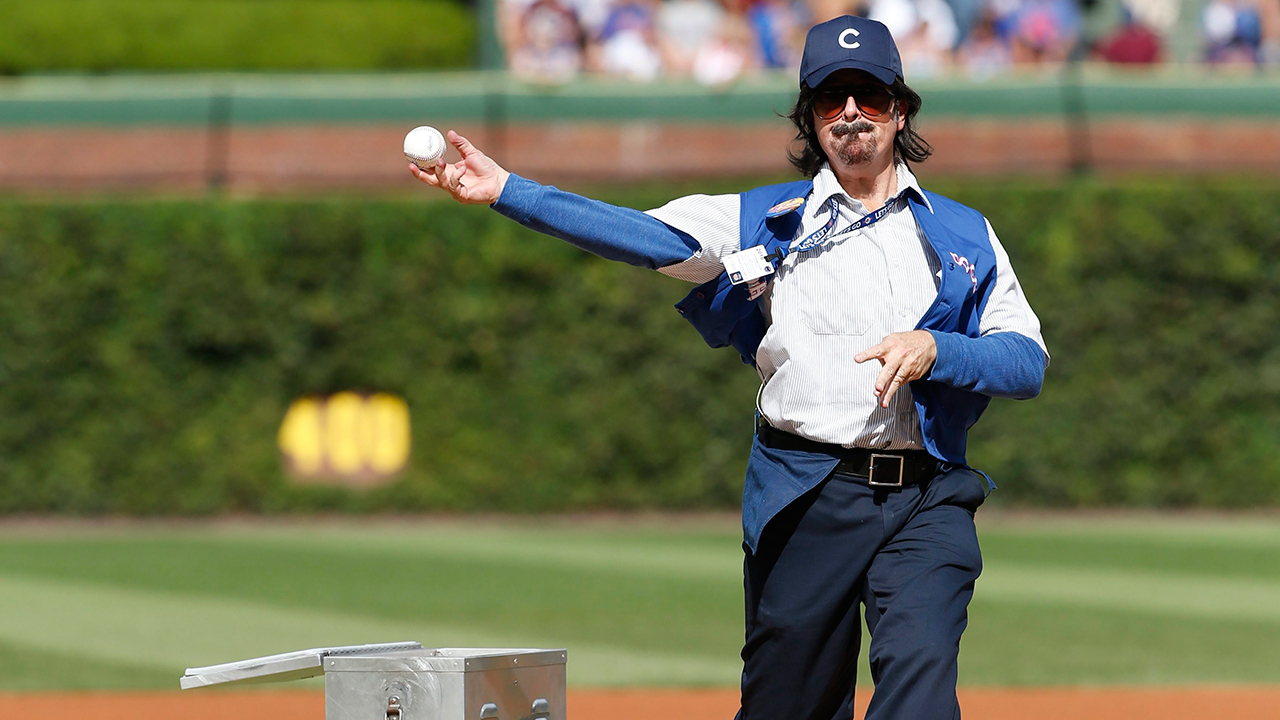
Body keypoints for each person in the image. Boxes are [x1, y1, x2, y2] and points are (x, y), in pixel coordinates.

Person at [411, 15, 1047, 720]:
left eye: (867, 96)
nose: (850, 116)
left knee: (921, 688)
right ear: (810, 117)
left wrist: (940, 349)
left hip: (927, 499)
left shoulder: (963, 232)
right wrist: (509, 191)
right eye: (830, 100)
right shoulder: (763, 220)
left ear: (900, 108)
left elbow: (1025, 361)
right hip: (808, 493)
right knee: (786, 705)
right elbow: (644, 237)